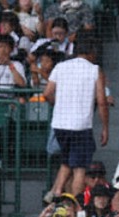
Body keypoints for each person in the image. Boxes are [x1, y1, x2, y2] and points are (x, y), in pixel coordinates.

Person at [44, 34, 108, 199]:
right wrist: (105, 127)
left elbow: (47, 93)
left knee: (66, 161)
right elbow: (102, 101)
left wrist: (58, 104)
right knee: (79, 168)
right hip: (81, 126)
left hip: (60, 124)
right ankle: (76, 204)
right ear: (92, 51)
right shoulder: (94, 70)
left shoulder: (60, 66)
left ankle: (56, 192)